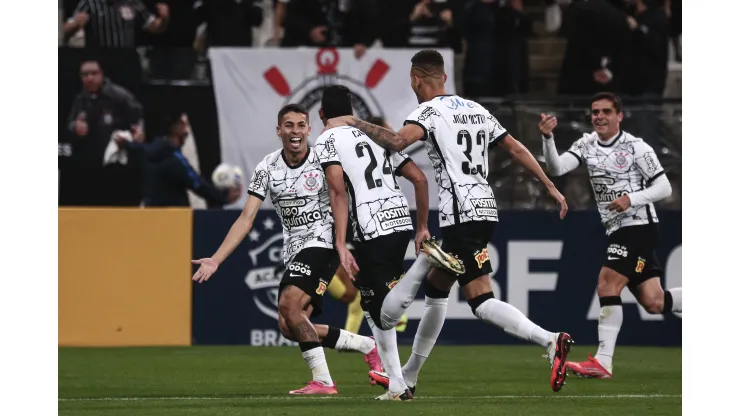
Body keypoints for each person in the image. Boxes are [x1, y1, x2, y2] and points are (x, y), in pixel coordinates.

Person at [323, 49, 574, 393]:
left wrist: (356, 122)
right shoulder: (475, 109)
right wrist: (549, 185)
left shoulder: (428, 111)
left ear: (417, 79)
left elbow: (397, 141)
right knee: (444, 293)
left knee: (474, 301)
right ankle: (408, 375)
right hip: (486, 208)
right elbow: (515, 148)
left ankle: (550, 340)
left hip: (461, 214)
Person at [191, 104, 382, 395]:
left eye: (300, 125)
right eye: (289, 125)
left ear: (309, 129)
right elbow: (246, 218)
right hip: (294, 249)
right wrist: (216, 260)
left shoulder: (324, 159)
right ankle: (367, 345)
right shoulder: (267, 167)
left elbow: (344, 197)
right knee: (289, 324)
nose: (295, 131)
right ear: (279, 130)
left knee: (289, 304)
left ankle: (324, 381)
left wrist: (346, 242)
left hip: (323, 241)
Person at [315, 85, 447, 400]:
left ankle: (424, 264)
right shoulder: (377, 136)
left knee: (384, 312)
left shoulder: (326, 139)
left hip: (371, 228)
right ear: (351, 111)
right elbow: (419, 178)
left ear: (321, 114)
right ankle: (398, 386)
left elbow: (338, 192)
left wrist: (340, 244)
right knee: (373, 308)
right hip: (400, 220)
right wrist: (422, 226)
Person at [540, 92, 682, 378]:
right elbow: (557, 168)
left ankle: (603, 361)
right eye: (595, 112)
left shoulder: (636, 147)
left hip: (638, 226)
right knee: (654, 302)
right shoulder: (586, 144)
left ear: (620, 115)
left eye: (606, 111)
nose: (599, 117)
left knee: (607, 284)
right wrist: (547, 138)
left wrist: (632, 199)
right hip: (617, 228)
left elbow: (664, 187)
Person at [138, 113, 241, 207]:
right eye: (183, 124)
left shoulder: (147, 151)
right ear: (175, 127)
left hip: (150, 217)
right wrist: (224, 197)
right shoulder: (175, 158)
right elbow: (197, 183)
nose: (186, 131)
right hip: (173, 218)